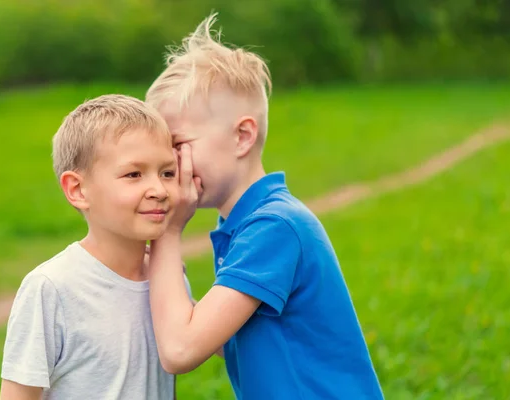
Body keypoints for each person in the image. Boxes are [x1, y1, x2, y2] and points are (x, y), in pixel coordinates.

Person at [144, 13, 384, 400]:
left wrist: (169, 233)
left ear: (242, 136)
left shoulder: (273, 228)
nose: (170, 164)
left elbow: (180, 350)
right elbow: (229, 339)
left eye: (179, 144)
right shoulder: (246, 224)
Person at [0, 94, 189, 399]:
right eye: (134, 174)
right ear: (77, 190)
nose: (159, 189)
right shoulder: (51, 289)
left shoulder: (168, 278)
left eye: (167, 173)